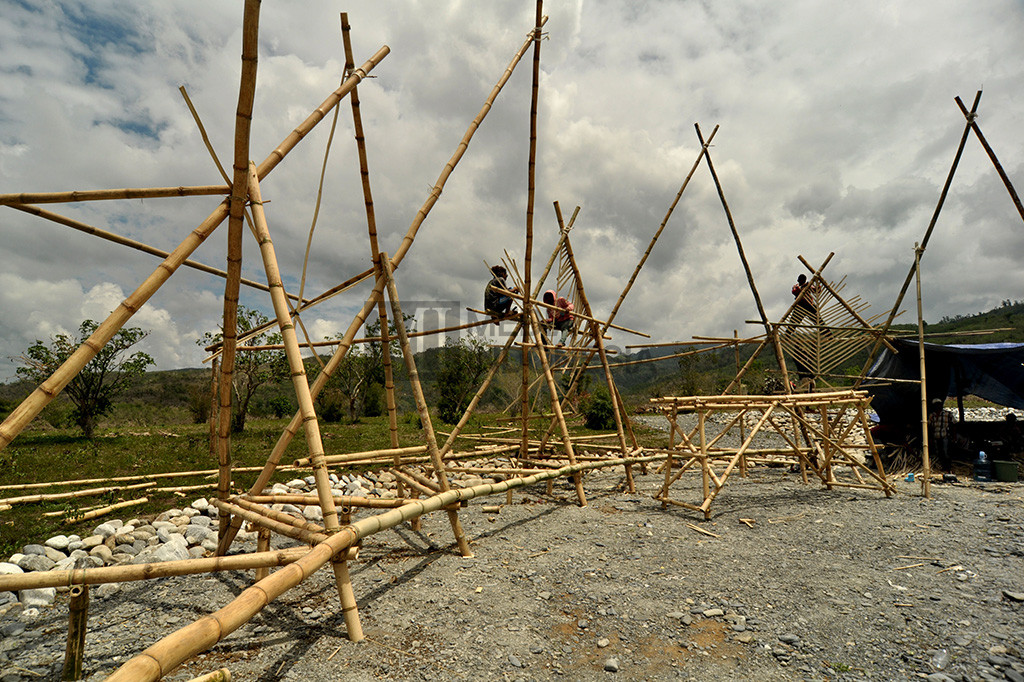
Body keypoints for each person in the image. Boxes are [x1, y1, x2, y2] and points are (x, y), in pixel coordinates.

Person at [928, 398, 953, 468]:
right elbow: (930, 427)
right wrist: (931, 438)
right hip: (936, 437)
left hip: (945, 436)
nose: (937, 406)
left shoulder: (947, 414)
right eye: (936, 405)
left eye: (938, 405)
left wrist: (953, 436)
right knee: (939, 452)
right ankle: (943, 466)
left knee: (946, 452)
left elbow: (953, 425)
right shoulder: (932, 415)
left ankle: (948, 467)